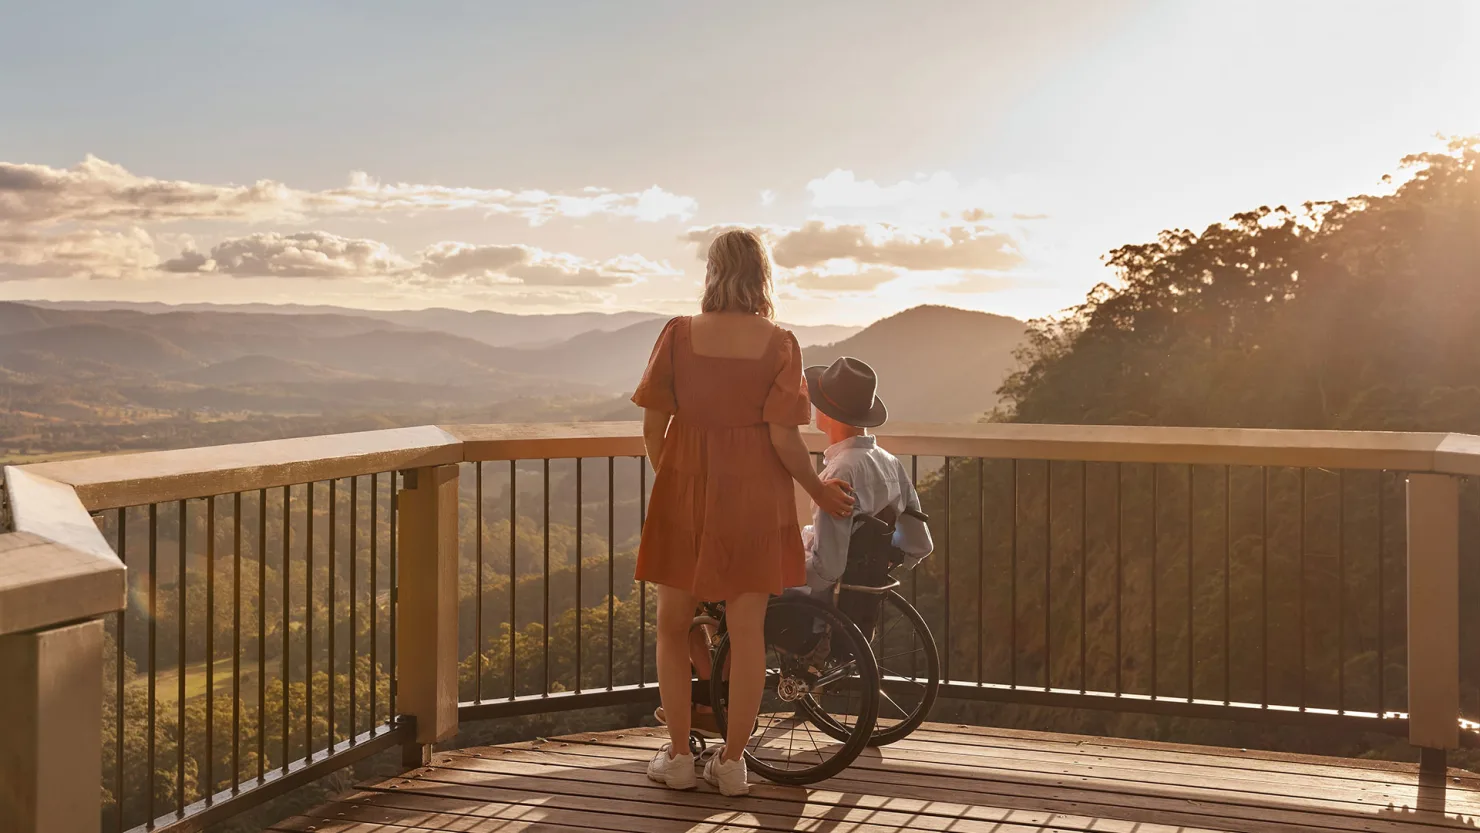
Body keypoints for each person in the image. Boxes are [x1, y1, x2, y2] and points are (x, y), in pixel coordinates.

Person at [632, 229, 854, 797]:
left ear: (712, 272)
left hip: (687, 496)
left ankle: (680, 756)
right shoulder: (781, 343)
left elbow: (654, 425)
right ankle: (733, 764)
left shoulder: (678, 334)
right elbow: (783, 437)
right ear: (761, 276)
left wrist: (678, 484)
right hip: (757, 496)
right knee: (749, 632)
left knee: (672, 627)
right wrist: (818, 488)